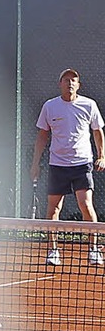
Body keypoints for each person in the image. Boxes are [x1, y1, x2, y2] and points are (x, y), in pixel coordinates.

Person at [30, 68, 105, 266]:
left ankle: (94, 250)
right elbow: (42, 136)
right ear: (60, 84)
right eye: (66, 80)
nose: (70, 83)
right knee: (53, 208)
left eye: (73, 80)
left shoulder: (89, 105)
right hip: (57, 165)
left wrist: (102, 156)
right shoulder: (50, 106)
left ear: (78, 85)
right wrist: (35, 164)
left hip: (82, 163)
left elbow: (97, 132)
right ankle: (53, 251)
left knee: (85, 204)